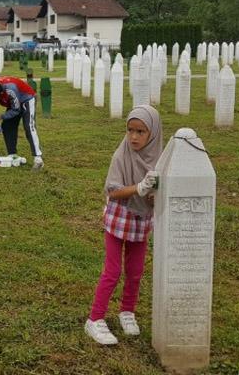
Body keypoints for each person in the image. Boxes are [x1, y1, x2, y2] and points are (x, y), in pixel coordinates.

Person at [84, 105, 162, 345]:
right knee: (113, 270)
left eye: (141, 132)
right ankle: (95, 318)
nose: (134, 137)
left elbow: (154, 197)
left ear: (154, 134)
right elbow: (114, 190)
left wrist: (152, 194)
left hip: (141, 219)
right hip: (119, 217)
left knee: (136, 271)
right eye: (130, 130)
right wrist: (139, 188)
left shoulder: (158, 159)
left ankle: (127, 311)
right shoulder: (121, 155)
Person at [0, 76, 44, 170]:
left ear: (1, 92)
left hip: (27, 99)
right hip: (14, 102)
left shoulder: (11, 90)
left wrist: (1, 116)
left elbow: (16, 110)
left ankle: (38, 159)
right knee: (7, 125)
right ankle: (12, 155)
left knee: (29, 127)